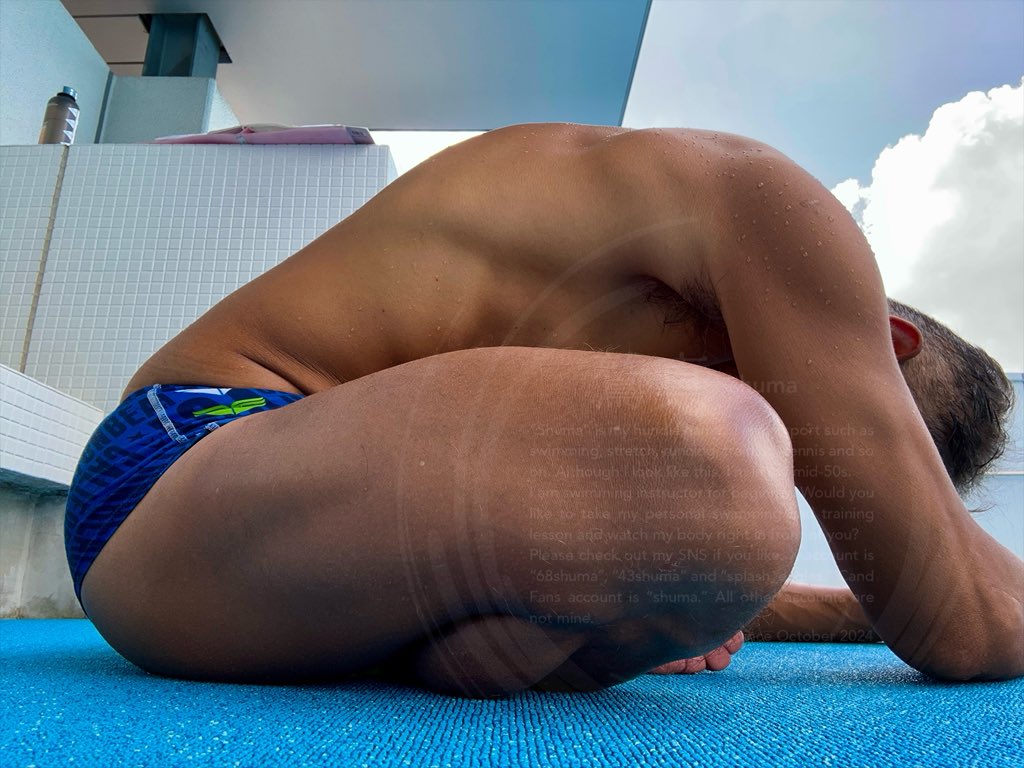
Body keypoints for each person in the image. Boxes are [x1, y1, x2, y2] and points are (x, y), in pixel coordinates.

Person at [65, 123, 1021, 697]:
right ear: (884, 343)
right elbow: (960, 622)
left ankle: (441, 645)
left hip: (274, 532)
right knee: (719, 474)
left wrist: (708, 595)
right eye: (855, 452)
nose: (830, 479)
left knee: (705, 526)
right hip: (191, 454)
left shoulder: (632, 335)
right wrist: (894, 587)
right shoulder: (778, 211)